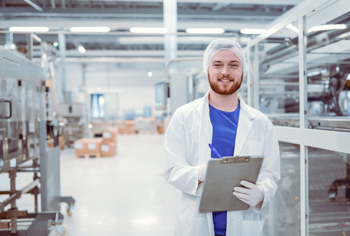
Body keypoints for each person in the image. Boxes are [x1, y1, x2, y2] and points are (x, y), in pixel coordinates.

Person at [164, 39, 280, 236]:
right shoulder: (184, 116)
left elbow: (271, 174)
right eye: (217, 64)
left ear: (243, 71)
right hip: (196, 225)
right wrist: (200, 173)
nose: (225, 71)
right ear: (207, 70)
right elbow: (172, 170)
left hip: (245, 226)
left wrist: (262, 192)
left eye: (233, 65)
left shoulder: (260, 122)